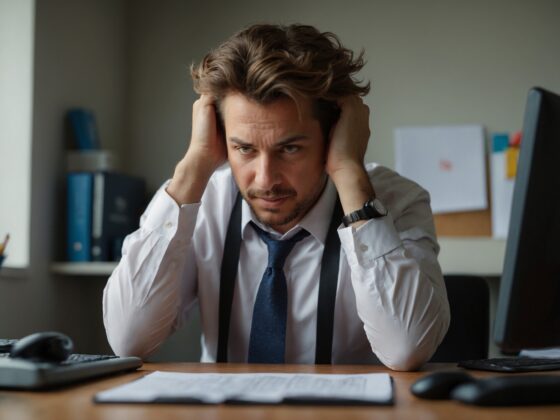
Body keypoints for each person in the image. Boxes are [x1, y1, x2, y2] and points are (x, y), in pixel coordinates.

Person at [103, 23, 450, 371]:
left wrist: (348, 172)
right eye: (244, 149)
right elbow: (129, 339)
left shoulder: (396, 202)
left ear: (333, 136)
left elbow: (407, 348)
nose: (265, 179)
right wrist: (192, 167)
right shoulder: (202, 200)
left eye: (290, 148)